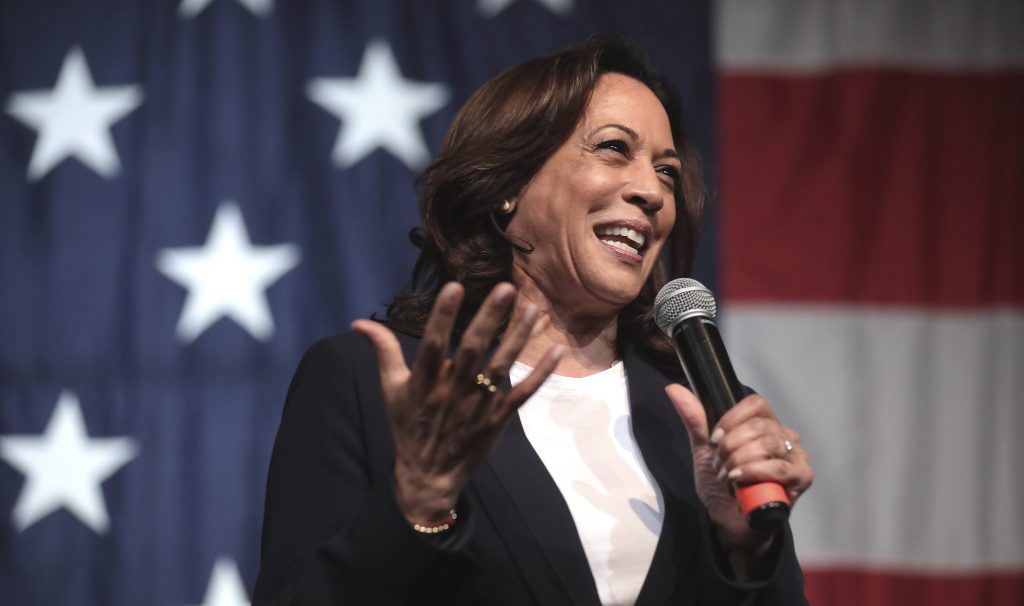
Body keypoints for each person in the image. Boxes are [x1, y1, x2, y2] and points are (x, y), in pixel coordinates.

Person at [253, 35, 814, 605]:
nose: (651, 191)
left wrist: (744, 550)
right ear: (508, 187)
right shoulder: (370, 384)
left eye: (667, 172)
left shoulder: (702, 417)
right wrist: (418, 505)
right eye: (615, 148)